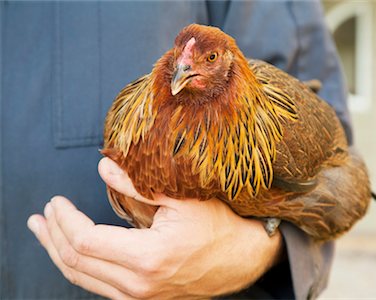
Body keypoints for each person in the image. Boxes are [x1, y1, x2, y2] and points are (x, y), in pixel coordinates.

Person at [1, 1, 351, 299]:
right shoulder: (134, 105)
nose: (183, 67)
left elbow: (341, 159)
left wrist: (253, 250)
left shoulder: (283, 127)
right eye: (181, 59)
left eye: (209, 58)